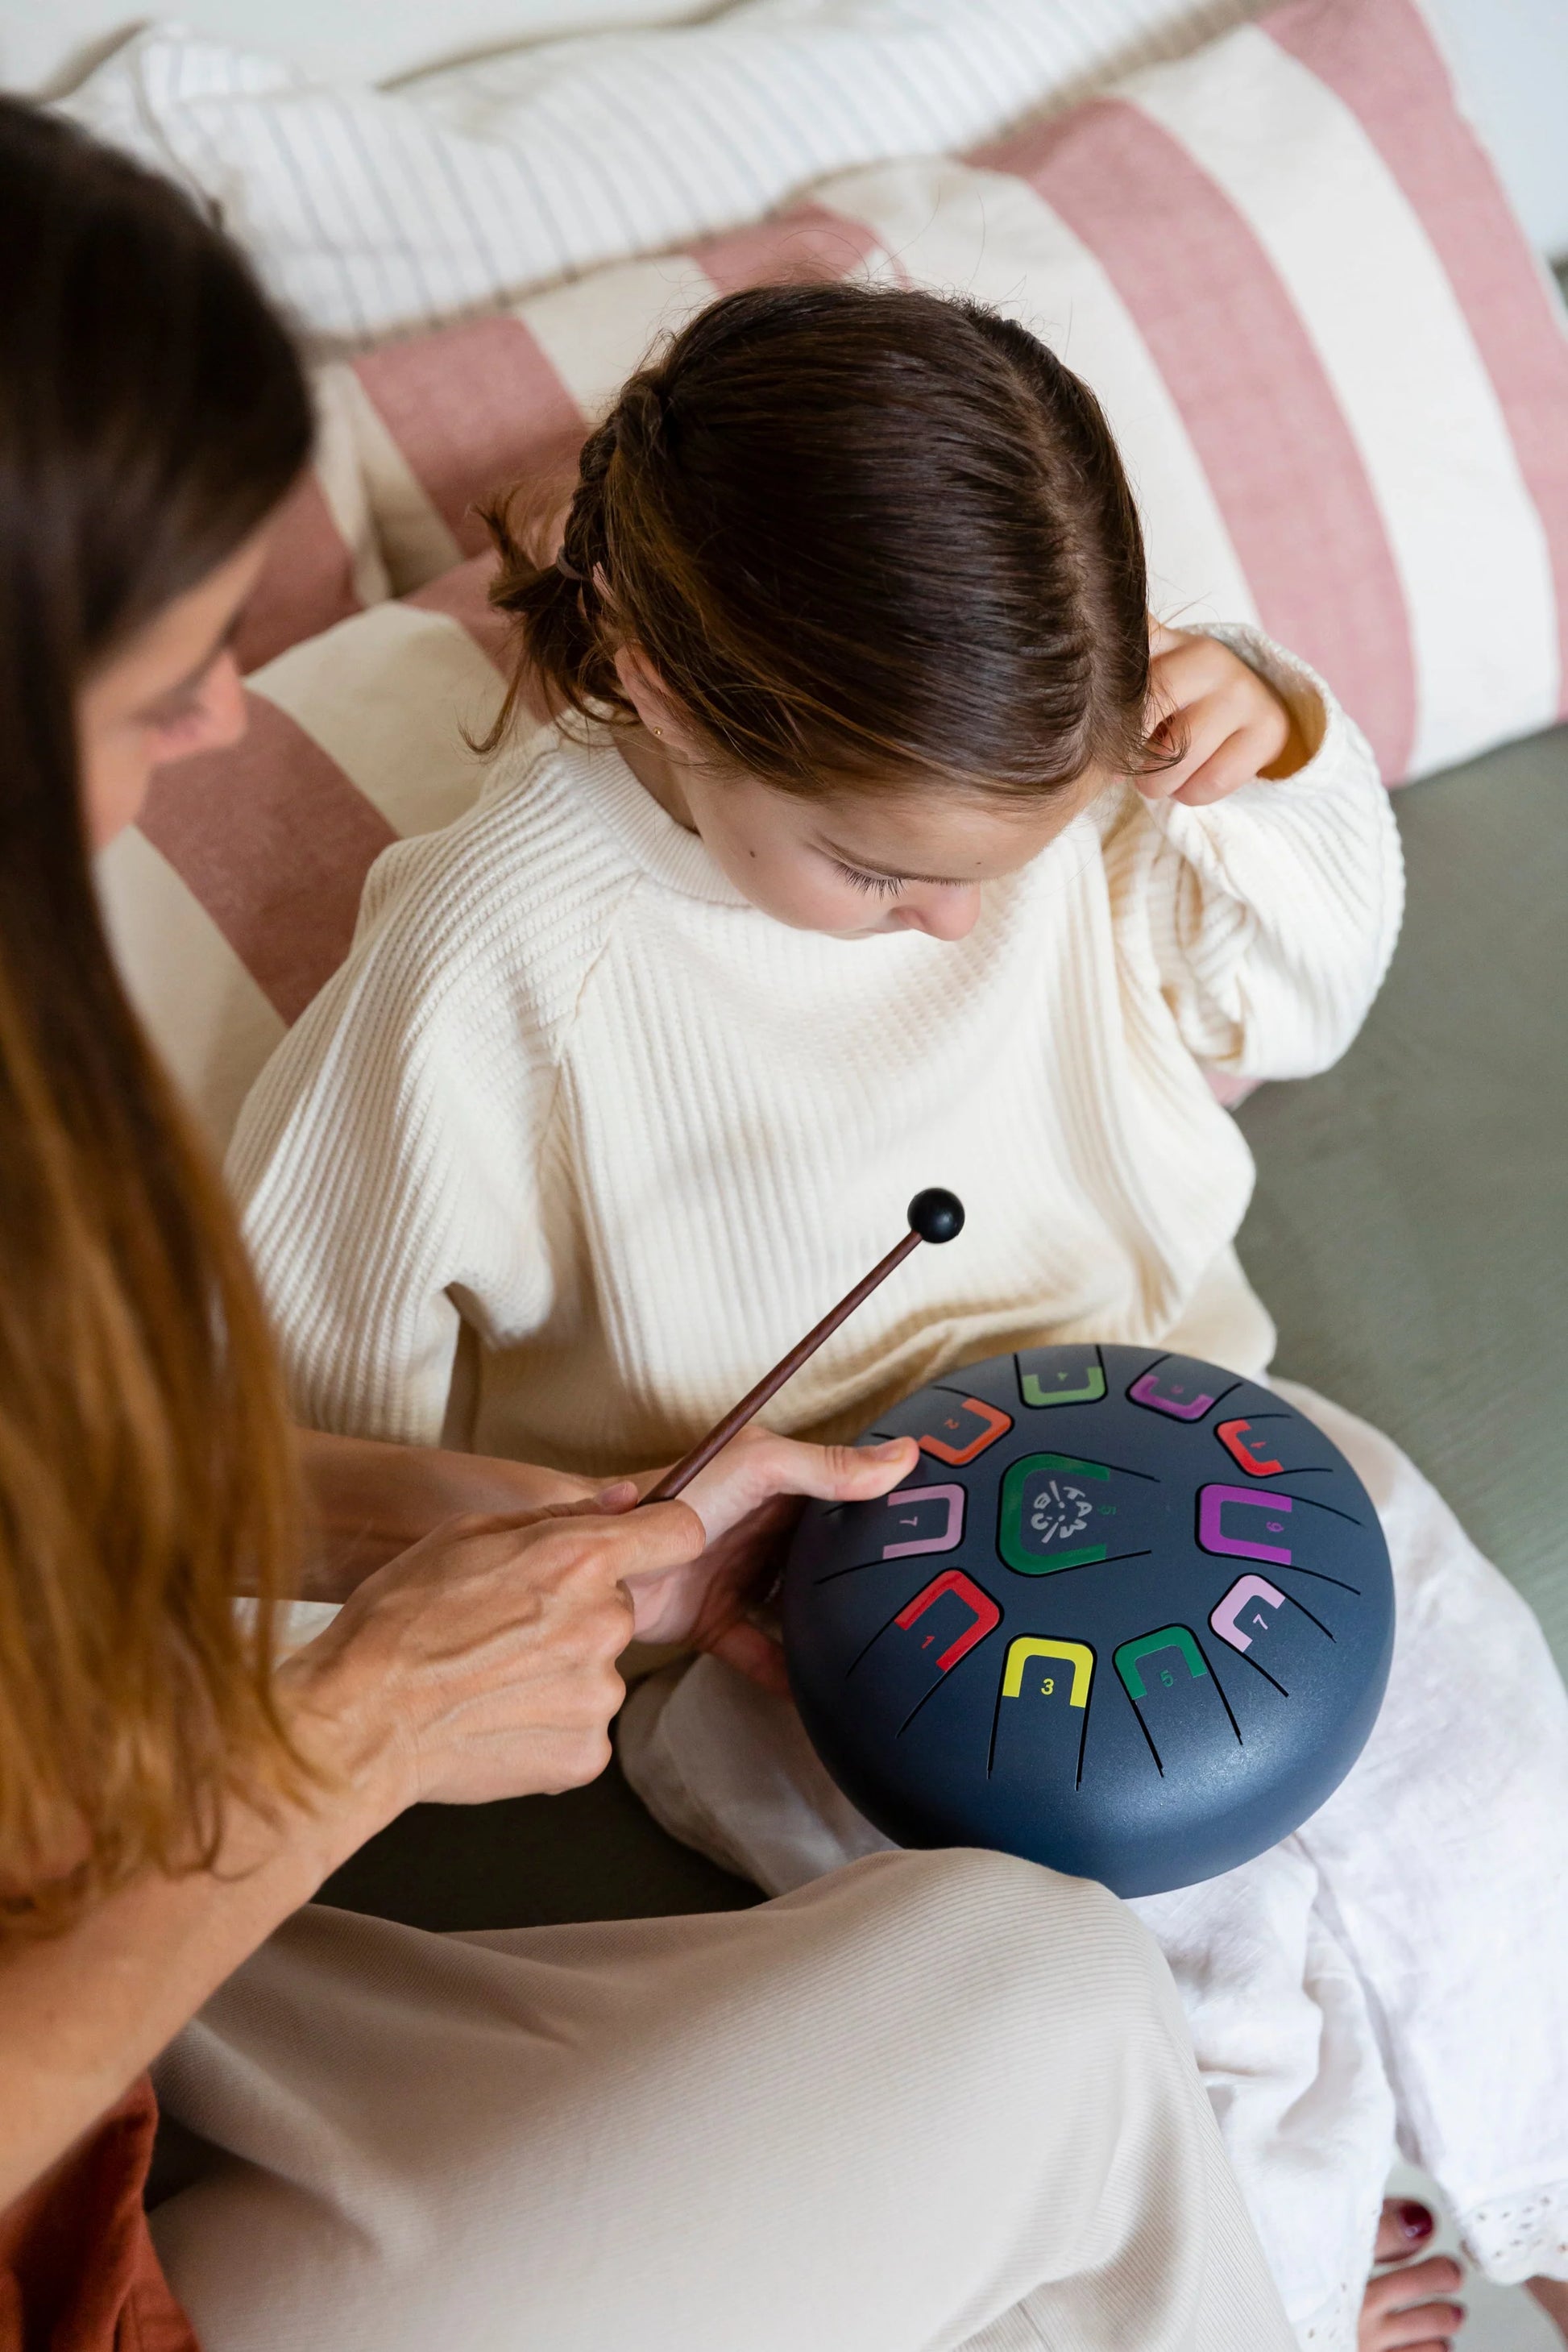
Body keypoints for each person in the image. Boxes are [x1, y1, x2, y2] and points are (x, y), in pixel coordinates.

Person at [0, 97, 1299, 2352]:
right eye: (150, 670)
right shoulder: (518, 947)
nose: (226, 718)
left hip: (108, 1930)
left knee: (1055, 1999)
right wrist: (356, 1740)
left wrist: (495, 1526)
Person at [230, 282, 1568, 2352]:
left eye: (1006, 862)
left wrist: (1276, 751)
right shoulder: (503, 959)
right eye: (879, 876)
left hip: (1176, 1426)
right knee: (1177, 1955)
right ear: (667, 691)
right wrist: (565, 1566)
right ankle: (1275, 2297)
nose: (962, 922)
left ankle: (1548, 2176)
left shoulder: (1046, 750)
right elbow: (296, 1389)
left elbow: (1293, 995)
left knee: (1476, 1736)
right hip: (818, 1604)